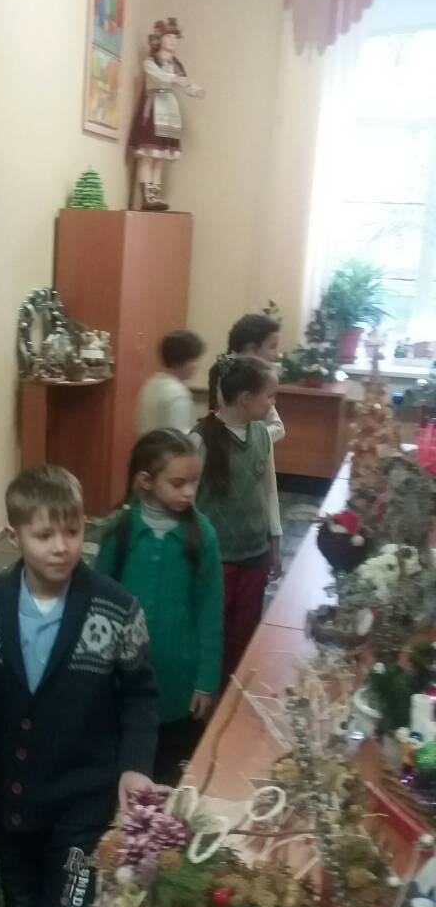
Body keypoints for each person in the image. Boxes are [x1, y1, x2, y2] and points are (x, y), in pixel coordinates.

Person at [0, 464, 159, 907]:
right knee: (21, 901)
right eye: (44, 534)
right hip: (12, 803)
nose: (61, 546)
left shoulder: (117, 610)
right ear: (14, 536)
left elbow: (140, 695)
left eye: (72, 531)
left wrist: (134, 764)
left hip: (83, 803)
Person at [95, 429, 223, 786]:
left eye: (194, 482)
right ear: (145, 482)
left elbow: (210, 613)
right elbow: (97, 602)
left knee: (170, 775)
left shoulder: (203, 535)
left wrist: (206, 681)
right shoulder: (120, 529)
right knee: (123, 769)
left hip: (178, 682)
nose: (189, 492)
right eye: (178, 483)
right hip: (121, 678)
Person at [192, 355, 282, 686]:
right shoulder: (201, 439)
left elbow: (269, 491)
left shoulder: (262, 436)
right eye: (269, 396)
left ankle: (233, 690)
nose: (273, 403)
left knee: (244, 631)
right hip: (216, 557)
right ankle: (206, 690)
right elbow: (187, 502)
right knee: (213, 627)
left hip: (254, 553)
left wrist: (274, 542)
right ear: (245, 398)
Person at [127, 16, 205, 211]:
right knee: (149, 153)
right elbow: (160, 78)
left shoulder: (176, 64)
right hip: (154, 107)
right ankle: (147, 195)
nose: (173, 41)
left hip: (169, 111)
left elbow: (185, 83)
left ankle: (155, 193)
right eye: (169, 37)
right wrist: (175, 79)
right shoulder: (150, 62)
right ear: (159, 39)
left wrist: (195, 90)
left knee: (161, 156)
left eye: (175, 38)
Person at [226, 313, 284, 442]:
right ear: (251, 349)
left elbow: (278, 428)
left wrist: (246, 441)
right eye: (272, 347)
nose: (277, 354)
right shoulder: (223, 374)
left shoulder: (261, 379)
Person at [136, 329, 205, 436]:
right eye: (194, 360)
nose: (196, 366)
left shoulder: (150, 384)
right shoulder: (177, 394)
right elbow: (180, 439)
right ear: (181, 360)